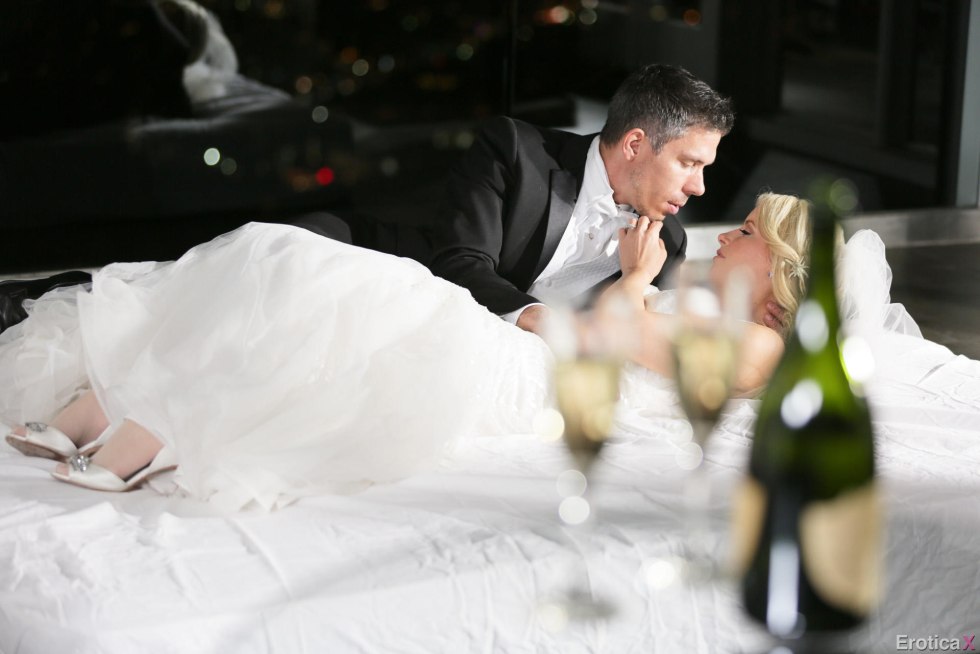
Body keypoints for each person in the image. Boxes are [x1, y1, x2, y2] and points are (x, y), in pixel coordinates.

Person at [1, 192, 811, 510]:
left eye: (745, 233)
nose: (726, 234)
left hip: (525, 376)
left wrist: (636, 279)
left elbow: (610, 338)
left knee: (319, 284)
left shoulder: (761, 349)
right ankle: (104, 413)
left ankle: (136, 429)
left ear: (777, 271)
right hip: (516, 345)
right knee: (280, 258)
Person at [425, 63, 736, 336]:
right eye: (688, 163)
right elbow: (459, 262)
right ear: (634, 144)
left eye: (704, 168)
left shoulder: (668, 242)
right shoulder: (515, 153)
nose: (699, 187)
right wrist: (545, 323)